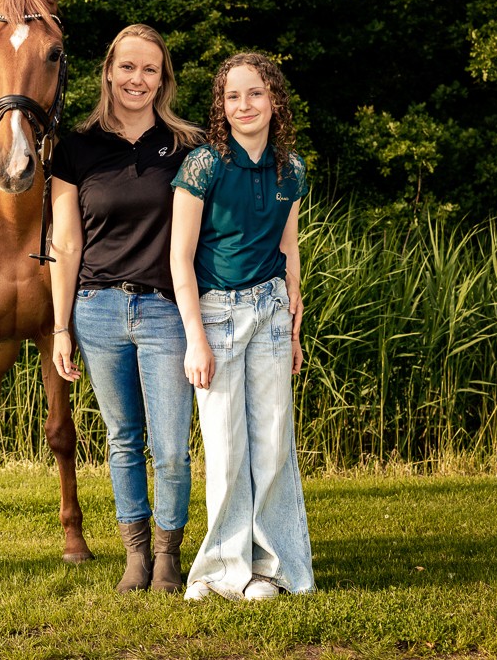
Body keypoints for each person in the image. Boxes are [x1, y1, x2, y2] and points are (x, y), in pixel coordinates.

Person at [49, 24, 203, 594]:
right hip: (96, 311)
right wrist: (61, 325)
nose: (137, 79)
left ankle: (167, 556)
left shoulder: (188, 146)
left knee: (170, 443)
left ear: (162, 80)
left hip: (166, 310)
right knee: (122, 438)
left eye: (150, 70)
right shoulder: (75, 146)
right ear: (108, 72)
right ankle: (135, 555)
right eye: (128, 67)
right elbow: (65, 244)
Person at [169, 51, 316, 602]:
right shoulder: (204, 165)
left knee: (274, 444)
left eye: (255, 93)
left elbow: (289, 249)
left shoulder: (291, 169)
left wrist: (295, 330)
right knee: (226, 449)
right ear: (220, 106)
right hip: (217, 314)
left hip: (273, 313)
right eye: (233, 96)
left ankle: (275, 570)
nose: (244, 105)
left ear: (275, 99)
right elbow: (179, 257)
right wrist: (195, 340)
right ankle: (220, 571)